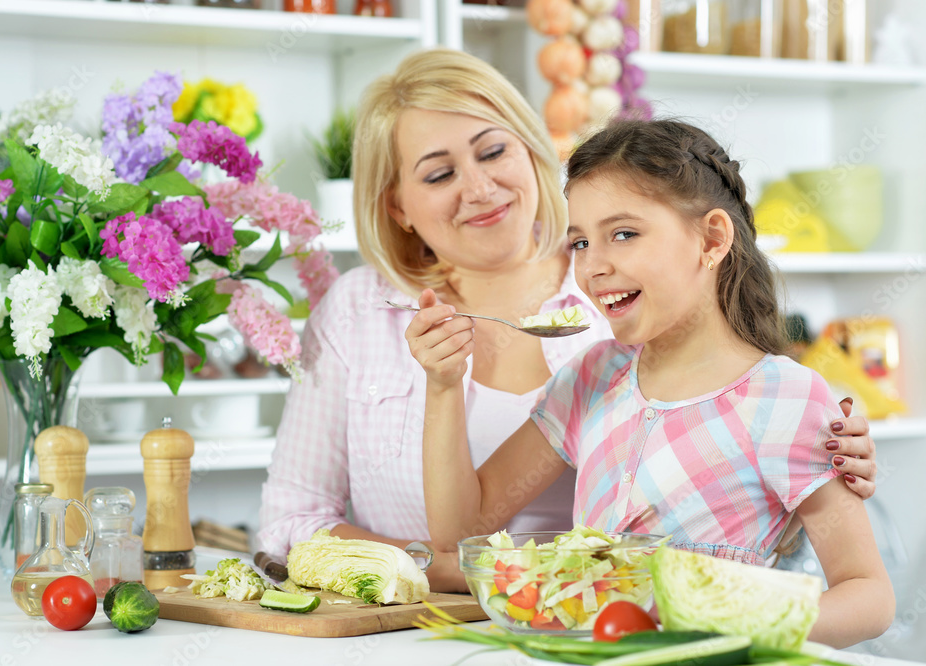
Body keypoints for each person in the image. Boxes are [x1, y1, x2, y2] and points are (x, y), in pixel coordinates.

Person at [256, 49, 878, 593]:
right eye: (441, 173)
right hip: (493, 624)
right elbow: (427, 530)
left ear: (530, 151)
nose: (478, 188)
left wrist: (820, 432)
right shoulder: (594, 366)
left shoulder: (623, 310)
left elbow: (752, 421)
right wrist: (432, 568)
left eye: (493, 150)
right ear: (398, 206)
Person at [408, 118, 894, 645]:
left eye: (623, 234)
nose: (594, 266)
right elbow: (462, 535)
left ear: (711, 239)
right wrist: (443, 384)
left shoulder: (785, 399)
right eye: (580, 243)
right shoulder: (593, 378)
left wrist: (730, 627)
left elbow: (868, 595)